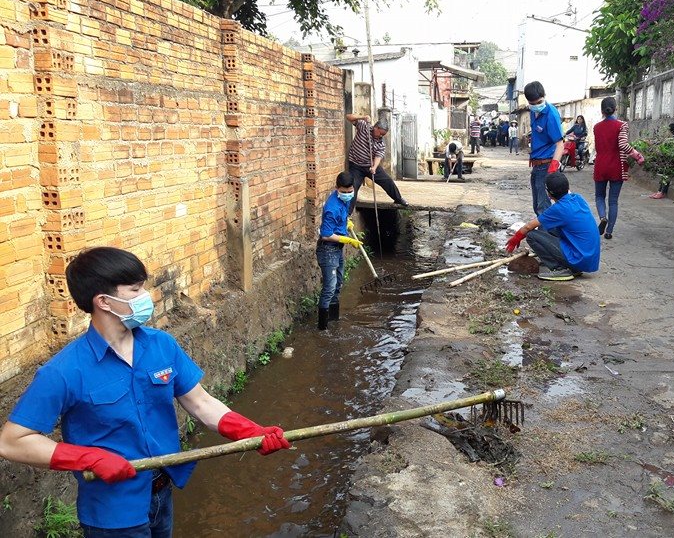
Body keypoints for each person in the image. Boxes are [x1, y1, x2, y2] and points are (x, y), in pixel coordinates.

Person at [0, 247, 291, 537]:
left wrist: (249, 431)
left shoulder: (161, 345)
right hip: (112, 512)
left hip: (162, 490)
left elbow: (200, 403)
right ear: (103, 301)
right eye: (136, 290)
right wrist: (89, 459)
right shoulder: (64, 371)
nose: (146, 298)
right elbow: (12, 442)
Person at [506, 172, 601, 281]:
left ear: (549, 194)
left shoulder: (559, 209)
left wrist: (516, 238)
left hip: (579, 259)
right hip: (588, 259)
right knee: (549, 227)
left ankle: (559, 269)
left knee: (532, 235)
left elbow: (528, 227)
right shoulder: (578, 198)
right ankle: (572, 267)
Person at [592, 97, 644, 240]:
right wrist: (637, 155)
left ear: (602, 111)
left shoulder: (596, 127)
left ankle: (603, 217)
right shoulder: (621, 125)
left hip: (600, 165)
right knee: (613, 200)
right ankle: (609, 231)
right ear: (615, 109)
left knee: (599, 196)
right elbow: (623, 145)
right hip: (616, 166)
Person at [317, 172, 364, 330]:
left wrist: (347, 223)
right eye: (344, 192)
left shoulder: (346, 198)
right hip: (328, 250)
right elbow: (326, 234)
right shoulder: (331, 208)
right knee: (329, 287)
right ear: (337, 189)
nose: (348, 194)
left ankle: (334, 320)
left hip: (337, 249)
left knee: (338, 285)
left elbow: (342, 217)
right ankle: (322, 328)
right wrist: (347, 240)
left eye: (350, 191)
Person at [346, 114, 407, 211]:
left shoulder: (381, 144)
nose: (381, 136)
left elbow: (378, 156)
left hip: (370, 166)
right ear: (376, 127)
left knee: (387, 181)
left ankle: (398, 199)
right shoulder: (363, 126)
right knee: (353, 186)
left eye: (383, 135)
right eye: (380, 133)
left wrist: (374, 167)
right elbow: (348, 117)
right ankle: (348, 213)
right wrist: (362, 117)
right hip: (356, 165)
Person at [523, 81, 565, 216]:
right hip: (536, 164)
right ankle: (545, 234)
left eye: (538, 102)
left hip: (547, 164)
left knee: (543, 207)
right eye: (532, 103)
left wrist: (553, 169)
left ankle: (546, 235)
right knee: (537, 206)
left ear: (544, 96)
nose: (536, 106)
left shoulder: (551, 114)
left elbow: (560, 144)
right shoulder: (532, 112)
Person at [649, 123, 674, 199]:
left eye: (668, 130)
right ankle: (659, 191)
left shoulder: (673, 140)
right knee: (664, 177)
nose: (666, 132)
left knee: (666, 177)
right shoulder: (669, 139)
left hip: (671, 161)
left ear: (672, 131)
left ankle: (662, 192)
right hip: (667, 161)